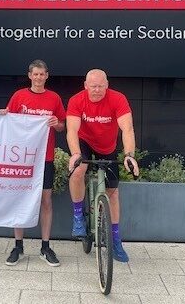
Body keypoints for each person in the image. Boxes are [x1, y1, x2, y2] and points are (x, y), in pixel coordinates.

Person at [66, 69, 139, 263]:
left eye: (100, 86)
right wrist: (75, 154)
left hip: (107, 146)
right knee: (78, 170)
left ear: (107, 85)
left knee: (113, 193)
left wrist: (129, 155)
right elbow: (72, 129)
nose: (97, 90)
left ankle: (115, 239)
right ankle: (78, 216)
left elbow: (127, 128)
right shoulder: (76, 100)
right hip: (84, 142)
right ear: (86, 85)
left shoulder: (118, 99)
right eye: (93, 86)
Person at [0, 59, 66, 267]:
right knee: (20, 199)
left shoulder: (54, 98)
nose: (38, 78)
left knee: (46, 201)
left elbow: (63, 126)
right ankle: (18, 245)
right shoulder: (19, 96)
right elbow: (9, 121)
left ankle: (45, 246)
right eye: (35, 74)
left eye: (42, 74)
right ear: (29, 75)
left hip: (45, 158)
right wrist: (3, 115)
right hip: (23, 159)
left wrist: (57, 124)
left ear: (47, 75)